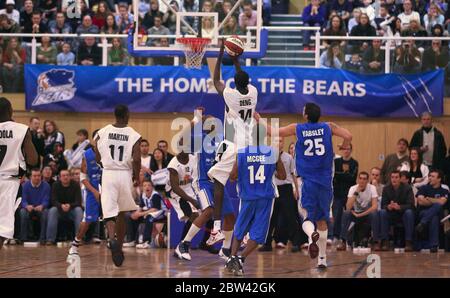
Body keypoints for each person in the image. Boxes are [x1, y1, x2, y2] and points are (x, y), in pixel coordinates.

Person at [255, 102, 352, 269]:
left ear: (306, 115)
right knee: (322, 220)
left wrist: (259, 119)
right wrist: (344, 146)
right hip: (325, 182)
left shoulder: (298, 128)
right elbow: (348, 135)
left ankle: (310, 236)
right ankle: (322, 259)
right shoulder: (329, 127)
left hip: (308, 181)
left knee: (307, 218)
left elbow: (274, 132)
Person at [208, 40, 258, 244]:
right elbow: (242, 77)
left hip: (233, 145)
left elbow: (216, 80)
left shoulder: (230, 96)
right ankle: (245, 232)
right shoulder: (253, 92)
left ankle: (217, 228)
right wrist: (236, 59)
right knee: (244, 190)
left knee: (218, 182)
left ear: (235, 84)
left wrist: (221, 54)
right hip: (249, 147)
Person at [174, 110, 235, 260]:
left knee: (230, 217)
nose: (214, 124)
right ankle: (183, 244)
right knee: (208, 211)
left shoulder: (221, 140)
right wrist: (195, 120)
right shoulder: (199, 140)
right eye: (210, 122)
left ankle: (225, 249)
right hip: (202, 182)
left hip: (218, 182)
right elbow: (180, 141)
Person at [225, 138, 286, 276]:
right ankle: (241, 258)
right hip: (265, 198)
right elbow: (282, 176)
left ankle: (232, 258)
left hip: (247, 196)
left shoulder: (241, 153)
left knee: (240, 229)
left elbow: (232, 177)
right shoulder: (272, 153)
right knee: (259, 234)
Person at [94, 104, 141, 267]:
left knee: (108, 211)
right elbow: (136, 158)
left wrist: (101, 161)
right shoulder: (133, 134)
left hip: (108, 173)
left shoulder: (103, 131)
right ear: (127, 115)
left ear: (114, 115)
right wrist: (137, 176)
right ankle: (119, 247)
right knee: (121, 212)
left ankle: (112, 238)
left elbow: (96, 150)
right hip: (124, 173)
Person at [0, 97, 38, 250]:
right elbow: (33, 160)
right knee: (2, 227)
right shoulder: (21, 130)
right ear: (10, 111)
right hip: (9, 183)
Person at [259, 137, 302, 252]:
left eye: (281, 141)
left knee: (291, 216)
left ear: (283, 144)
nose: (278, 143)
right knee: (271, 217)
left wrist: (296, 190)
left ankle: (296, 243)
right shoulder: (267, 157)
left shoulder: (289, 157)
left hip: (286, 189)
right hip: (273, 189)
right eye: (276, 141)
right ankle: (267, 243)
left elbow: (293, 175)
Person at [68, 130, 102, 255]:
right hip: (92, 190)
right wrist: (95, 192)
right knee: (87, 220)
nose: (100, 140)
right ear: (93, 140)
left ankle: (114, 243)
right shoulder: (86, 155)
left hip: (107, 188)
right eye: (97, 138)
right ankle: (75, 243)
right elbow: (83, 178)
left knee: (115, 216)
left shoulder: (109, 154)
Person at [336, 172, 378, 250]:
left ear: (367, 181)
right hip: (355, 214)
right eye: (360, 178)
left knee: (374, 214)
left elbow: (375, 206)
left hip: (366, 214)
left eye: (364, 179)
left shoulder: (372, 188)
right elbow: (348, 207)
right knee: (346, 213)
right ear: (357, 180)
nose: (362, 181)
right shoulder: (353, 188)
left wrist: (361, 215)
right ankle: (343, 241)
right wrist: (356, 193)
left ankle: (376, 242)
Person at [375, 171, 415, 251]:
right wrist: (388, 206)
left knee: (409, 213)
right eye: (392, 177)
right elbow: (383, 205)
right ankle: (385, 241)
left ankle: (408, 242)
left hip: (403, 214)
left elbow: (411, 205)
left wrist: (399, 207)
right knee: (382, 212)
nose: (394, 179)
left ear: (400, 179)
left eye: (396, 177)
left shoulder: (407, 188)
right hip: (391, 214)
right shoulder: (386, 188)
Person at [125, 179, 167, 248]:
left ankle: (146, 241)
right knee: (130, 217)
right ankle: (131, 240)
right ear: (142, 187)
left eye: (149, 185)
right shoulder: (143, 195)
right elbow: (141, 206)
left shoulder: (155, 195)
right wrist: (136, 213)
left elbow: (155, 209)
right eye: (144, 186)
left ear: (152, 187)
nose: (147, 187)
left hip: (161, 213)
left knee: (149, 218)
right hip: (150, 212)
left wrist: (141, 214)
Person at [46, 169, 83, 245]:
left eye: (67, 175)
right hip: (59, 210)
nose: (65, 177)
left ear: (70, 177)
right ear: (59, 177)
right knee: (52, 211)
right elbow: (53, 200)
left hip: (72, 210)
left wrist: (70, 205)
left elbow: (78, 201)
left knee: (79, 210)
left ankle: (79, 238)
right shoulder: (55, 185)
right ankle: (50, 239)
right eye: (63, 175)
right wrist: (61, 206)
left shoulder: (75, 185)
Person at [415, 170, 448, 252]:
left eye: (433, 176)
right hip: (423, 212)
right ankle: (433, 246)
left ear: (439, 179)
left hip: (439, 214)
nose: (430, 178)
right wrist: (436, 200)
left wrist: (429, 199)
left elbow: (442, 202)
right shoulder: (423, 188)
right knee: (434, 216)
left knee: (437, 207)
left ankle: (422, 223)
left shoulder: (444, 191)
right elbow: (420, 201)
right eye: (429, 176)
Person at [332, 143, 358, 241]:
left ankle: (347, 236)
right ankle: (336, 236)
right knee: (337, 215)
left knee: (348, 214)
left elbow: (352, 177)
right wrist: (345, 174)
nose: (346, 151)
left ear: (351, 150)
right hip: (337, 192)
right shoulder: (336, 162)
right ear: (341, 150)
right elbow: (334, 175)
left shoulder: (354, 163)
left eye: (348, 149)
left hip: (349, 193)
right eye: (344, 149)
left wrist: (340, 175)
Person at [20, 168, 50, 243]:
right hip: (29, 207)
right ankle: (23, 238)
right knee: (23, 213)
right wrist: (27, 206)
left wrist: (42, 206)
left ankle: (42, 238)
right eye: (34, 176)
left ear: (41, 176)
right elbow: (23, 200)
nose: (37, 177)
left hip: (40, 208)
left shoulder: (46, 186)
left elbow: (47, 200)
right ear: (30, 177)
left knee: (45, 213)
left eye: (38, 176)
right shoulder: (25, 185)